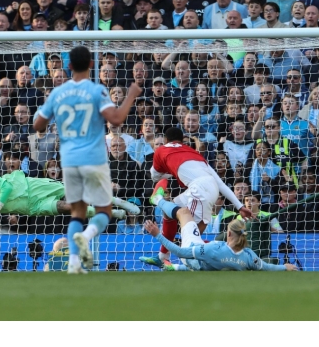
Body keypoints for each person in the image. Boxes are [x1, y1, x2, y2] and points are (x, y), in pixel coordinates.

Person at [33, 45, 143, 274]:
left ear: (69, 66)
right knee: (104, 210)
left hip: (69, 161)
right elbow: (117, 118)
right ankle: (86, 235)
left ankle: (74, 263)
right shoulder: (96, 91)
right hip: (94, 158)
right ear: (92, 65)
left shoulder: (58, 93)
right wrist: (131, 94)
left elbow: (38, 125)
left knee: (77, 212)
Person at [139, 126, 252, 268]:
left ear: (166, 140)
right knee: (170, 211)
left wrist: (168, 172)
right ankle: (163, 256)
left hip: (199, 190)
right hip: (208, 188)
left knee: (191, 239)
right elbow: (220, 183)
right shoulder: (195, 154)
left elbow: (155, 176)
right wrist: (240, 206)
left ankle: (228, 258)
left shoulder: (161, 149)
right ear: (181, 141)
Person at [0, 171, 136, 230]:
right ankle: (110, 212)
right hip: (29, 206)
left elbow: (5, 186)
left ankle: (117, 202)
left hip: (31, 187)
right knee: (66, 207)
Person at [142, 204, 297, 271]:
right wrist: (286, 267)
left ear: (228, 234)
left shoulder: (215, 248)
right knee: (201, 225)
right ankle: (170, 267)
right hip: (205, 266)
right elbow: (267, 267)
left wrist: (157, 234)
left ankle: (157, 200)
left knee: (183, 212)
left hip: (191, 257)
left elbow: (182, 253)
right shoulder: (249, 256)